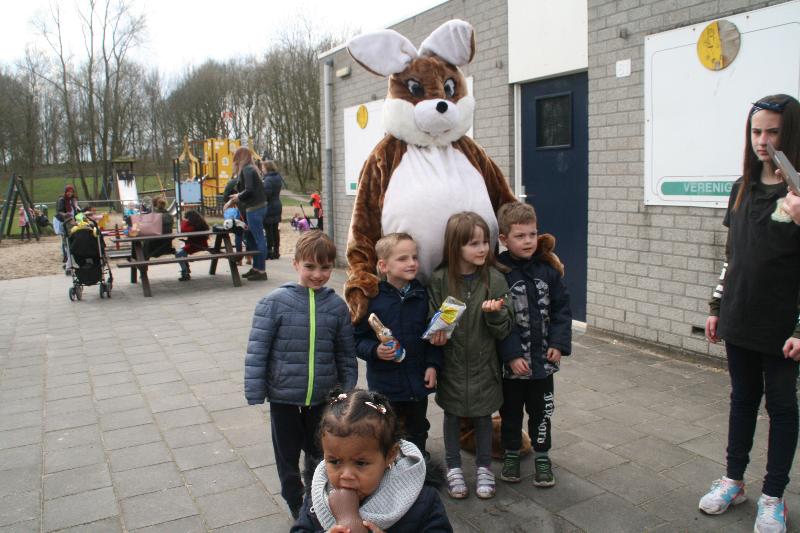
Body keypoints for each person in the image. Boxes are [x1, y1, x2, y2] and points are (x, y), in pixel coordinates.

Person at [700, 94, 800, 533]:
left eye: (773, 131)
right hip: (740, 317)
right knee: (742, 401)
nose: (763, 140)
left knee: (782, 408)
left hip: (782, 328)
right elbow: (731, 257)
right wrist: (718, 306)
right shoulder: (740, 189)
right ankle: (733, 480)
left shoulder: (799, 195)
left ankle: (773, 495)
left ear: (790, 133)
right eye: (756, 131)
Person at [244, 230, 358, 520]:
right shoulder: (274, 303)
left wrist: (345, 391)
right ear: (295, 264)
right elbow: (258, 350)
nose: (318, 274)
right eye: (310, 266)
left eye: (325, 267)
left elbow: (346, 354)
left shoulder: (336, 307)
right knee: (287, 456)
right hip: (284, 398)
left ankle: (316, 499)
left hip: (322, 398)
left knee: (320, 454)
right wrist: (255, 390)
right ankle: (296, 503)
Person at [427, 211, 515, 500]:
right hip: (452, 365)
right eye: (473, 244)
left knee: (483, 416)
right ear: (456, 246)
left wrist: (495, 314)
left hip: (485, 365)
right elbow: (431, 320)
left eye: (484, 242)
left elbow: (505, 329)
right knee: (452, 415)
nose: (482, 249)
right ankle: (453, 467)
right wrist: (436, 334)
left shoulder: (496, 279)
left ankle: (484, 467)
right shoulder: (440, 279)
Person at [291, 389, 453, 532]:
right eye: (334, 461)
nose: (346, 475)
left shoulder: (420, 500)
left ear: (390, 455)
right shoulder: (319, 495)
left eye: (360, 463)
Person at [495, 201, 571, 487]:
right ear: (504, 239)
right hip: (512, 368)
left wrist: (558, 343)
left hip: (543, 365)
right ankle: (511, 452)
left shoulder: (548, 271)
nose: (528, 241)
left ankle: (542, 455)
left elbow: (562, 309)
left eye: (532, 234)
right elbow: (499, 321)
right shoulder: (499, 273)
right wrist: (511, 354)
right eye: (520, 236)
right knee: (510, 413)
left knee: (542, 412)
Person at [353, 233, 442, 458]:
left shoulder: (424, 294)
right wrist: (374, 350)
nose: (412, 263)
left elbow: (431, 336)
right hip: (385, 384)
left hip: (416, 381)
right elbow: (356, 339)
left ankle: (418, 465)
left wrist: (432, 365)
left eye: (414, 257)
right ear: (383, 266)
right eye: (403, 259)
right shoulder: (372, 299)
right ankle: (389, 470)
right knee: (386, 430)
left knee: (418, 428)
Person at [230, 147, 267, 280]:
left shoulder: (247, 170)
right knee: (252, 238)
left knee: (258, 239)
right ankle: (256, 268)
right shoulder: (252, 169)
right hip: (258, 207)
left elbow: (249, 190)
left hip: (254, 209)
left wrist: (238, 197)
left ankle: (261, 270)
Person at [175, 210, 209, 281]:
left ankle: (185, 272)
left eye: (186, 218)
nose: (186, 219)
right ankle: (186, 269)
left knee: (178, 255)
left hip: (195, 245)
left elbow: (183, 230)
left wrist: (184, 221)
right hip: (199, 244)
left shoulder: (194, 226)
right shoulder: (200, 223)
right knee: (182, 252)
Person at [262, 160, 284, 259]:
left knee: (268, 230)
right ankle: (276, 251)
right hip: (277, 205)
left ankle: (269, 251)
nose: (262, 170)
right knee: (275, 229)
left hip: (269, 206)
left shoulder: (268, 180)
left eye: (263, 168)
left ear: (267, 168)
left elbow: (266, 194)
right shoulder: (278, 177)